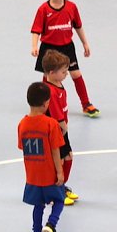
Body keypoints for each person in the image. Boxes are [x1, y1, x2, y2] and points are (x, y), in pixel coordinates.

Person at [31, 0, 100, 118]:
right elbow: (36, 30)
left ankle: (86, 104)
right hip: (48, 48)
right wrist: (34, 46)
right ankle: (45, 105)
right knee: (48, 77)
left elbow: (78, 27)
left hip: (67, 47)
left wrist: (85, 43)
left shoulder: (72, 7)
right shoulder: (43, 9)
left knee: (76, 74)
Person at [18, 82, 65, 232]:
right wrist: (60, 172)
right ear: (46, 103)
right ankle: (51, 224)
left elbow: (22, 147)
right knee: (60, 199)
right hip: (49, 173)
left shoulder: (22, 124)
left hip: (32, 175)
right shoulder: (50, 124)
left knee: (38, 205)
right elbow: (54, 151)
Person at [42, 50, 79, 206]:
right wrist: (64, 127)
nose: (67, 74)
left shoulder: (58, 84)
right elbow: (57, 114)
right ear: (51, 73)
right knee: (60, 160)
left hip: (62, 129)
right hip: (57, 130)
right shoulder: (50, 90)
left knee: (68, 156)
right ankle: (56, 190)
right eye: (64, 72)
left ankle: (61, 186)